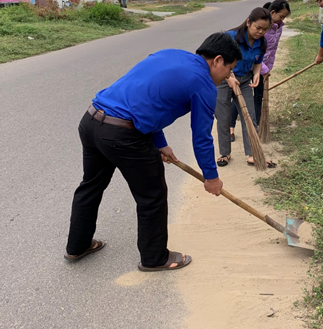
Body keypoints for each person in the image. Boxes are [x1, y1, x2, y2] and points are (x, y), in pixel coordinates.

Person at [64, 32, 242, 271]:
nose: (227, 77)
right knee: (152, 195)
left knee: (91, 185)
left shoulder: (171, 54)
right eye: (229, 69)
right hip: (123, 134)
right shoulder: (203, 83)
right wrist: (211, 177)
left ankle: (77, 246)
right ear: (217, 60)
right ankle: (155, 257)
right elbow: (201, 138)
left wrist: (160, 143)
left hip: (92, 120)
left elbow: (145, 98)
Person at [215, 7, 276, 168]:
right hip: (224, 79)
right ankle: (225, 153)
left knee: (249, 115)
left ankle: (252, 154)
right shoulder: (230, 38)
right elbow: (220, 62)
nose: (261, 32)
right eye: (258, 28)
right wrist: (229, 77)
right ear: (248, 22)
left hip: (245, 80)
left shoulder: (261, 42)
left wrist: (256, 75)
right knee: (223, 116)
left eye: (265, 29)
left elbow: (257, 62)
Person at [229, 0, 290, 134]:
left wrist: (267, 69)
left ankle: (255, 127)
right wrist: (263, 69)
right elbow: (252, 52)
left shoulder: (277, 28)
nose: (282, 20)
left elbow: (271, 51)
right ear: (273, 12)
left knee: (258, 97)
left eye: (284, 18)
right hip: (249, 67)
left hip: (263, 69)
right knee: (239, 97)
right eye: (281, 16)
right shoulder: (261, 30)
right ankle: (231, 126)